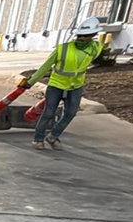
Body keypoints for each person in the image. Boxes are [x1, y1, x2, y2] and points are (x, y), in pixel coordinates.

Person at [20, 17, 104, 150]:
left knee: (70, 113)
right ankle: (38, 139)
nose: (82, 38)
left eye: (85, 36)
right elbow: (45, 67)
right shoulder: (62, 49)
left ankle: (53, 136)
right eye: (80, 36)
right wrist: (30, 82)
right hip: (56, 85)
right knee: (48, 112)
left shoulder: (96, 49)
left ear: (93, 36)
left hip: (75, 86)